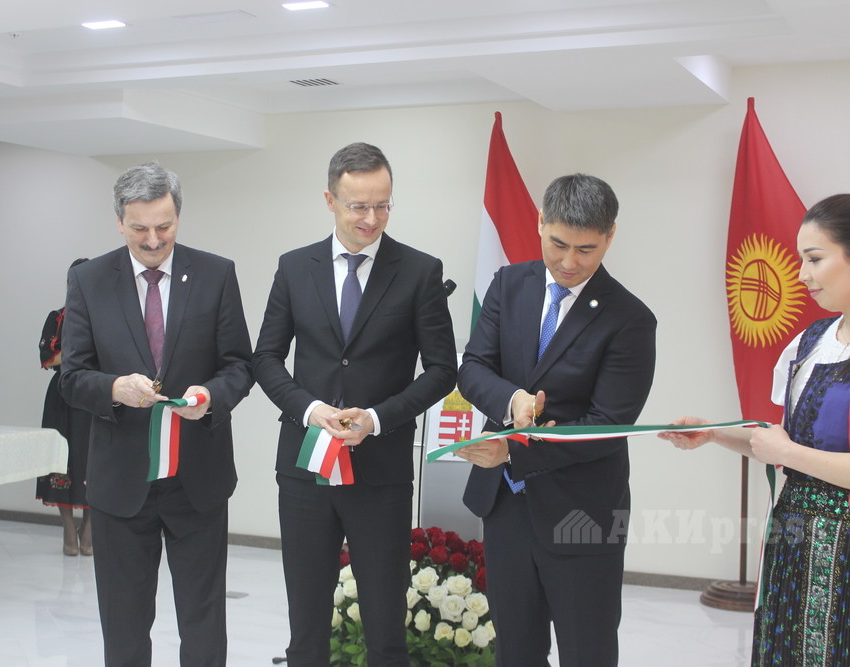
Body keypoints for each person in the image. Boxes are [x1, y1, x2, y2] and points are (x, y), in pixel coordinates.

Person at [253, 142, 458, 665]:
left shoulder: (419, 271)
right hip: (305, 468)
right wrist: (309, 409)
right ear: (330, 200)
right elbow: (266, 358)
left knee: (386, 626)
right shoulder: (295, 268)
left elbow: (442, 370)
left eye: (382, 205)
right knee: (305, 625)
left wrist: (377, 418)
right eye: (358, 206)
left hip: (381, 471)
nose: (371, 218)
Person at [456, 174, 657, 666]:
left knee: (587, 650)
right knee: (516, 650)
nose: (569, 262)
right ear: (541, 222)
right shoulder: (509, 284)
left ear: (610, 235)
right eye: (558, 244)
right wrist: (512, 402)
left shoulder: (630, 319)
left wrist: (515, 449)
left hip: (583, 514)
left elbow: (607, 425)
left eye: (586, 250)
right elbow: (474, 367)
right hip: (506, 506)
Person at [59, 162, 254, 666]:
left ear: (178, 217)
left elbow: (239, 365)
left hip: (198, 477)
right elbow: (72, 376)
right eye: (139, 228)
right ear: (119, 222)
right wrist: (115, 388)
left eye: (164, 226)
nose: (152, 240)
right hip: (121, 483)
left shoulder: (215, 274)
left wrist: (209, 397)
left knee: (203, 620)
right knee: (123, 625)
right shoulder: (88, 280)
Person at [659, 194, 850, 665]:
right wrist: (715, 432)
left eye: (814, 259)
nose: (802, 274)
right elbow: (783, 440)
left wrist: (788, 453)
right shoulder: (811, 342)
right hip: (795, 538)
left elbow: (788, 451)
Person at [36, 257, 92, 556]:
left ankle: (89, 531)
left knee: (94, 460)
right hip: (62, 395)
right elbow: (47, 358)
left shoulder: (108, 316)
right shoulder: (57, 317)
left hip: (95, 396)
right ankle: (69, 529)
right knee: (60, 458)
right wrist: (80, 354)